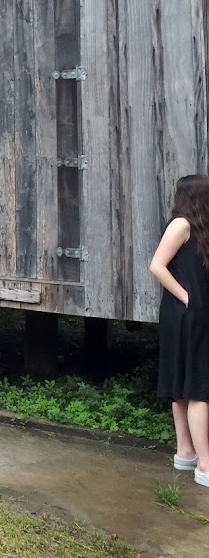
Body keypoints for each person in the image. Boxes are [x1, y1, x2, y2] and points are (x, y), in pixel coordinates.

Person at [149, 174, 209, 487]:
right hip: (186, 314)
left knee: (184, 381)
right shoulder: (181, 224)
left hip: (188, 315)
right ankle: (205, 465)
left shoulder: (196, 228)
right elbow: (156, 265)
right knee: (199, 386)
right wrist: (187, 297)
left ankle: (185, 452)